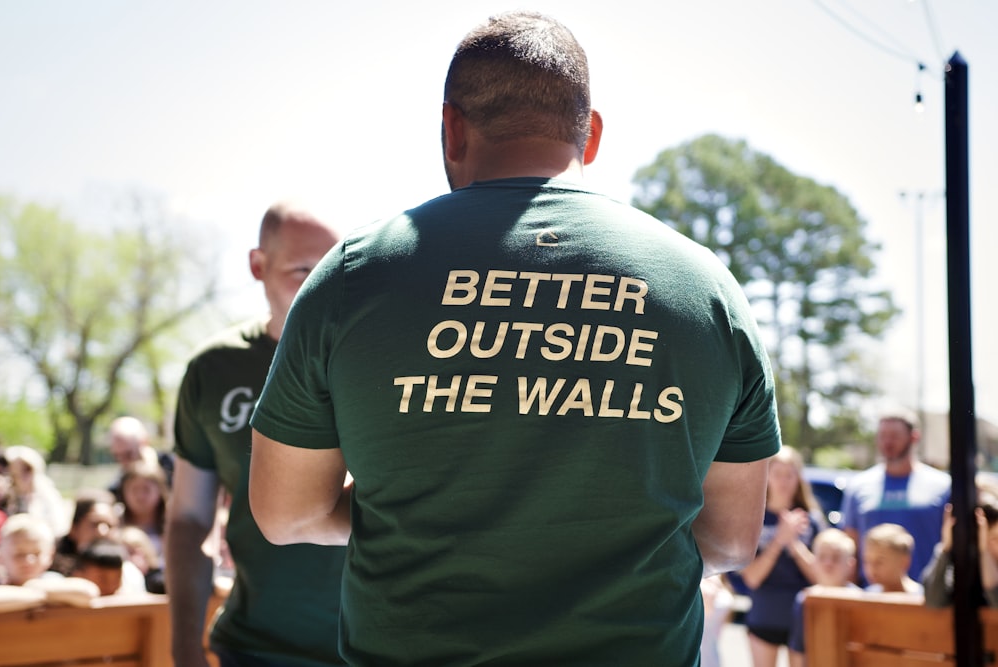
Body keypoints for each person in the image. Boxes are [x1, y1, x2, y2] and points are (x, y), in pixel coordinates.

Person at [248, 11, 781, 666]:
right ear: (592, 135)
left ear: (450, 129)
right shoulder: (706, 290)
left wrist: (411, 502)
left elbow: (286, 512)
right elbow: (730, 538)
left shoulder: (353, 275)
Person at [165, 201, 345, 667]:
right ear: (257, 266)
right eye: (302, 269)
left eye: (330, 267)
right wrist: (184, 650)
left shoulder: (379, 357)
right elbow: (188, 519)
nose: (319, 283)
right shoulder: (214, 367)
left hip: (370, 648)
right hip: (253, 647)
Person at [840, 408, 950, 584]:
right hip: (872, 598)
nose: (887, 442)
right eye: (882, 435)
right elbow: (850, 546)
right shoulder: (859, 486)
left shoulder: (943, 486)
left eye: (894, 436)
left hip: (927, 599)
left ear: (914, 437)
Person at [739, 445, 822, 667]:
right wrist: (778, 540)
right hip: (764, 617)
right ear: (766, 477)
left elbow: (820, 577)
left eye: (789, 475)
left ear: (798, 479)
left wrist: (793, 544)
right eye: (777, 474)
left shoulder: (811, 521)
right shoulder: (753, 518)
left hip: (802, 620)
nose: (783, 482)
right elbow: (752, 578)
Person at [786, 527, 860, 666]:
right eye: (822, 557)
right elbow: (798, 649)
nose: (828, 563)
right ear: (813, 561)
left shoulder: (860, 600)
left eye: (836, 558)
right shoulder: (805, 600)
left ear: (851, 565)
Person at [0, 513, 100, 611]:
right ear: (1, 556)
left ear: (51, 555)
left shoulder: (53, 580)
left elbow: (88, 592)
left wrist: (31, 588)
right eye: (19, 555)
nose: (28, 561)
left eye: (36, 553)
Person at [921, 481, 998, 607]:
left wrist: (985, 552)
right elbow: (933, 600)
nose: (991, 544)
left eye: (995, 538)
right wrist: (946, 548)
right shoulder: (961, 566)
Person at [4, 445, 69, 538]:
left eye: (26, 469)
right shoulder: (7, 496)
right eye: (17, 472)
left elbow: (58, 526)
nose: (23, 475)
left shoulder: (47, 495)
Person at [106, 416, 174, 501]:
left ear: (144, 442)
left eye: (128, 454)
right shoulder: (118, 486)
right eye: (117, 456)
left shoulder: (172, 466)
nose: (123, 462)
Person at [119, 459, 168, 562]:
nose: (140, 496)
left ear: (160, 491)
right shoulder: (115, 522)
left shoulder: (172, 524)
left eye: (146, 489)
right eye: (134, 489)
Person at [861, 522, 924, 594]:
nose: (871, 569)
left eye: (880, 562)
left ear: (903, 562)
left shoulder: (923, 598)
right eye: (867, 561)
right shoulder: (867, 596)